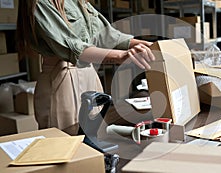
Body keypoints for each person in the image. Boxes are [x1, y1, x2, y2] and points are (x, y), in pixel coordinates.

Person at [17, 0, 155, 130]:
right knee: (68, 138)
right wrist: (122, 56)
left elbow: (106, 35)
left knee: (95, 135)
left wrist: (151, 46)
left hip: (89, 73)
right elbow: (72, 47)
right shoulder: (41, 3)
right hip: (63, 76)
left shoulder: (78, 2)